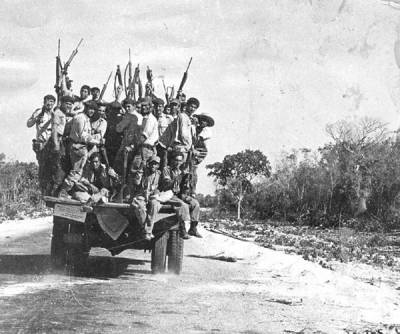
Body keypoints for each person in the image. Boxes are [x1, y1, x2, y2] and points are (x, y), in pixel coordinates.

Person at [58, 101, 103, 198]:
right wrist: (97, 141)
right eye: (90, 108)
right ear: (86, 108)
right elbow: (83, 135)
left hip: (80, 146)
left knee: (79, 170)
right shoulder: (81, 118)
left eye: (93, 109)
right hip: (78, 146)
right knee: (77, 171)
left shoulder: (85, 118)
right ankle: (64, 191)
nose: (91, 111)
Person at [161, 151, 202, 238]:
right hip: (168, 193)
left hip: (179, 194)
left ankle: (193, 228)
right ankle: (182, 229)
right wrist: (181, 175)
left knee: (196, 204)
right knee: (182, 205)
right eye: (176, 160)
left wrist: (186, 179)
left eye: (180, 161)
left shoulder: (181, 170)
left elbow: (185, 186)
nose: (178, 163)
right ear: (172, 160)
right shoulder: (167, 169)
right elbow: (168, 184)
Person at [27, 94, 56, 195]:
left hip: (51, 144)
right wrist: (35, 118)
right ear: (44, 102)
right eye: (48, 101)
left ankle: (49, 192)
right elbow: (28, 124)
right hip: (41, 143)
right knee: (43, 168)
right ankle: (42, 191)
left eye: (52, 101)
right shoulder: (39, 111)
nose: (50, 103)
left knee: (52, 168)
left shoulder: (54, 113)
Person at [130, 156, 163, 240]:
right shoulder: (143, 172)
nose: (153, 166)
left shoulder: (159, 174)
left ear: (158, 166)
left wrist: (157, 193)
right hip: (142, 195)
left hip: (153, 195)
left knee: (155, 205)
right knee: (139, 206)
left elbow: (161, 187)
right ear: (149, 164)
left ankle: (147, 231)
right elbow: (137, 182)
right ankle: (146, 230)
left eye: (155, 164)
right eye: (152, 163)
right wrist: (140, 170)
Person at [50, 95, 75, 196]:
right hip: (58, 141)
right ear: (62, 104)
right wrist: (56, 144)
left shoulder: (64, 114)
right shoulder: (58, 113)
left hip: (63, 142)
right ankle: (54, 193)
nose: (69, 106)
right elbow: (54, 130)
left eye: (70, 104)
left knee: (63, 166)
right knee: (59, 167)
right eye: (67, 104)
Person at [130, 97, 159, 173]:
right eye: (142, 106)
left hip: (146, 149)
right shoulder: (141, 118)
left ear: (150, 107)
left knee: (140, 171)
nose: (144, 108)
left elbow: (143, 137)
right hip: (139, 148)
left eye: (146, 106)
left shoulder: (151, 120)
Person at [114, 98, 142, 175]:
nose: (127, 109)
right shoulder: (135, 116)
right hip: (131, 145)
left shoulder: (132, 116)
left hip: (130, 146)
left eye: (129, 106)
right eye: (126, 107)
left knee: (124, 168)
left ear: (134, 106)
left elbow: (118, 129)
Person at [191, 113, 214, 194]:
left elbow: (198, 139)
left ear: (207, 123)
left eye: (205, 121)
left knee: (193, 168)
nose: (202, 122)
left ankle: (192, 190)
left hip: (201, 151)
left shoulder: (206, 130)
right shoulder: (197, 128)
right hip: (195, 149)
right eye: (201, 120)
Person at [172, 97, 199, 162]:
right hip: (181, 147)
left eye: (195, 108)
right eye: (191, 106)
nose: (193, 109)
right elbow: (184, 134)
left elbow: (193, 135)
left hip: (186, 148)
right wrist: (189, 146)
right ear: (187, 105)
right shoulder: (183, 116)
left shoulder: (190, 119)